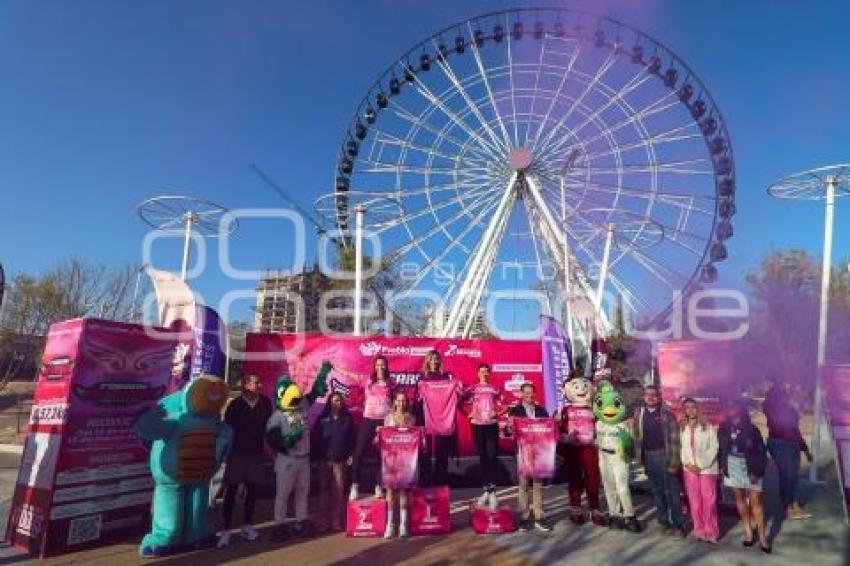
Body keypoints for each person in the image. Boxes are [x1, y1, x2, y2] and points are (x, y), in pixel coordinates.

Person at [265, 363, 331, 541]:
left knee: (303, 492)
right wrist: (288, 440)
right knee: (283, 493)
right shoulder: (277, 416)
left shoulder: (302, 406)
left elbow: (315, 391)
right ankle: (279, 524)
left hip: (304, 459)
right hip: (287, 459)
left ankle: (301, 521)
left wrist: (323, 372)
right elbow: (272, 438)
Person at [216, 374, 273, 548]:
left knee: (252, 490)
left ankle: (247, 525)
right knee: (231, 491)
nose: (260, 385)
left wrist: (271, 450)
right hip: (237, 454)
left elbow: (269, 428)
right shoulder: (235, 405)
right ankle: (226, 529)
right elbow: (226, 431)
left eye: (260, 382)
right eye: (256, 383)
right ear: (246, 385)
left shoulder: (265, 403)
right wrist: (222, 454)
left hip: (256, 454)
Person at [718, 399, 771, 554]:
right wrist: (723, 466)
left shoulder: (752, 429)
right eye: (728, 406)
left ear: (741, 409)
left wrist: (756, 471)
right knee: (739, 498)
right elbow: (721, 449)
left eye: (734, 406)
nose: (731, 409)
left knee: (756, 501)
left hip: (750, 466)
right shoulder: (723, 428)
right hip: (732, 464)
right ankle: (748, 531)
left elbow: (761, 452)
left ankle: (763, 537)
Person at [633, 385, 685, 537]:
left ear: (659, 397)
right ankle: (664, 523)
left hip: (665, 456)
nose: (650, 397)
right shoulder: (638, 413)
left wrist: (674, 462)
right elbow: (636, 436)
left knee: (672, 492)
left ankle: (678, 525)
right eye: (647, 394)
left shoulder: (667, 414)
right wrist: (640, 459)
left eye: (653, 394)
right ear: (643, 397)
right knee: (657, 492)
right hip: (648, 457)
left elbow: (675, 439)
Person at [557, 373, 604, 526]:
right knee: (574, 478)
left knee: (593, 478)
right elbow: (559, 429)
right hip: (573, 450)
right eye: (576, 387)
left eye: (585, 386)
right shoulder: (565, 410)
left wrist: (599, 439)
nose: (582, 390)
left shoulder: (594, 409)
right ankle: (576, 509)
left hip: (590, 449)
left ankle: (594, 508)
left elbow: (600, 427)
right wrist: (563, 438)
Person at [343, 356, 393, 500]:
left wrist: (392, 419)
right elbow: (350, 375)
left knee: (382, 456)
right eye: (378, 365)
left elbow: (395, 402)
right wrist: (335, 367)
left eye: (382, 365)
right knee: (358, 453)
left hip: (384, 422)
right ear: (374, 367)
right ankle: (355, 486)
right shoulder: (368, 380)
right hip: (368, 420)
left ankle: (378, 486)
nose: (380, 367)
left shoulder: (391, 383)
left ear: (386, 366)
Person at [594, 379, 640, 533]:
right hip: (603, 457)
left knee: (622, 488)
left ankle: (630, 515)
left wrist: (629, 435)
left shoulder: (623, 424)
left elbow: (632, 443)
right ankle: (614, 514)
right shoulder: (598, 424)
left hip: (619, 458)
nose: (608, 409)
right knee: (609, 487)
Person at [763, 379, 813, 520]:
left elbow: (795, 430)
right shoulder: (773, 407)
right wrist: (777, 386)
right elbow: (791, 429)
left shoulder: (787, 408)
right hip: (781, 444)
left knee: (790, 476)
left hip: (789, 443)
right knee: (788, 476)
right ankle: (790, 506)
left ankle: (791, 505)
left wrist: (805, 449)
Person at [507, 382, 553, 533]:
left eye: (531, 392)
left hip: (539, 452)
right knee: (523, 485)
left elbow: (548, 429)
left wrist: (555, 422)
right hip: (522, 452)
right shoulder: (515, 411)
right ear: (521, 394)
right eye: (526, 392)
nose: (529, 395)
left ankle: (539, 517)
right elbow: (508, 432)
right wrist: (509, 426)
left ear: (534, 394)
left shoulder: (542, 410)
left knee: (538, 484)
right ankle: (524, 518)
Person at [462, 363, 506, 510]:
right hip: (477, 425)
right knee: (483, 457)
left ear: (489, 374)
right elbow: (459, 402)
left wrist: (497, 413)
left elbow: (505, 406)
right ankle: (487, 490)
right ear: (478, 373)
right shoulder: (472, 389)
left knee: (492, 456)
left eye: (487, 371)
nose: (484, 374)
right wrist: (468, 414)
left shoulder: (495, 389)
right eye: (482, 371)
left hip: (491, 424)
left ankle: (492, 491)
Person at [378, 391, 420, 539]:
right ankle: (390, 525)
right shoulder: (388, 418)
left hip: (405, 459)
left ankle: (403, 525)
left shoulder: (411, 418)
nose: (401, 403)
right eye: (399, 400)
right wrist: (380, 432)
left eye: (404, 401)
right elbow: (383, 437)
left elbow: (414, 436)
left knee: (403, 492)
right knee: (390, 492)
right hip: (390, 460)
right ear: (395, 402)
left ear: (406, 403)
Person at [416, 350, 460, 487]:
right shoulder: (422, 378)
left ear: (439, 361)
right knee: (425, 453)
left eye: (436, 359)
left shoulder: (446, 377)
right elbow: (418, 400)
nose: (434, 362)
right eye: (431, 359)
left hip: (443, 421)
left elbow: (456, 395)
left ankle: (441, 482)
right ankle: (425, 483)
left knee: (442, 453)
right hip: (426, 419)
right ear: (427, 361)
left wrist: (457, 388)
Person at [679, 397, 720, 543]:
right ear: (684, 410)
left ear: (698, 409)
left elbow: (714, 447)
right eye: (687, 407)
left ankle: (711, 531)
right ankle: (699, 530)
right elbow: (682, 448)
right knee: (695, 503)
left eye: (693, 407)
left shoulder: (708, 426)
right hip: (689, 470)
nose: (690, 410)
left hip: (707, 470)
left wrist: (701, 465)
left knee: (708, 502)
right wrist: (688, 464)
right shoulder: (682, 427)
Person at [313, 391, 355, 532]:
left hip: (340, 462)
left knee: (338, 492)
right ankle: (322, 521)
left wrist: (351, 454)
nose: (336, 403)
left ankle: (335, 520)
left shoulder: (348, 419)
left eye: (339, 400)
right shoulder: (322, 419)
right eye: (334, 400)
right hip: (324, 461)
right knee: (323, 492)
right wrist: (315, 458)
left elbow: (352, 439)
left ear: (342, 403)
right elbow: (315, 440)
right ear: (329, 402)